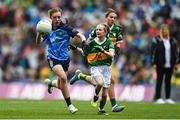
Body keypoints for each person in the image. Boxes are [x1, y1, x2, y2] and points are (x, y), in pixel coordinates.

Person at [36, 8, 86, 113]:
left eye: (59, 17)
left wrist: (83, 42)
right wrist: (39, 32)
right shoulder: (47, 29)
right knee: (63, 78)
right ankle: (70, 106)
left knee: (60, 85)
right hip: (52, 58)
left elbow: (79, 35)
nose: (57, 19)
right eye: (55, 17)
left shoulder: (66, 28)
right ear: (51, 18)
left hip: (65, 59)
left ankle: (51, 84)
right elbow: (38, 42)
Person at [70, 23, 115, 115]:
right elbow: (85, 52)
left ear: (105, 32)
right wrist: (77, 49)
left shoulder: (109, 43)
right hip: (96, 67)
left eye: (100, 30)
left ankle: (101, 109)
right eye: (97, 30)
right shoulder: (92, 42)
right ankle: (95, 97)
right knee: (99, 83)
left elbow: (112, 54)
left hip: (107, 69)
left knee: (104, 95)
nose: (97, 31)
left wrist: (102, 51)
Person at [151, 24, 179, 104]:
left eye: (166, 30)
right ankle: (158, 97)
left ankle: (168, 98)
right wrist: (154, 63)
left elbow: (175, 52)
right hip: (160, 64)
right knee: (159, 81)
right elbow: (153, 52)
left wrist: (176, 62)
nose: (165, 32)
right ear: (161, 31)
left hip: (170, 64)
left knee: (168, 81)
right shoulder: (157, 40)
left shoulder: (172, 40)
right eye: (164, 30)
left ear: (168, 31)